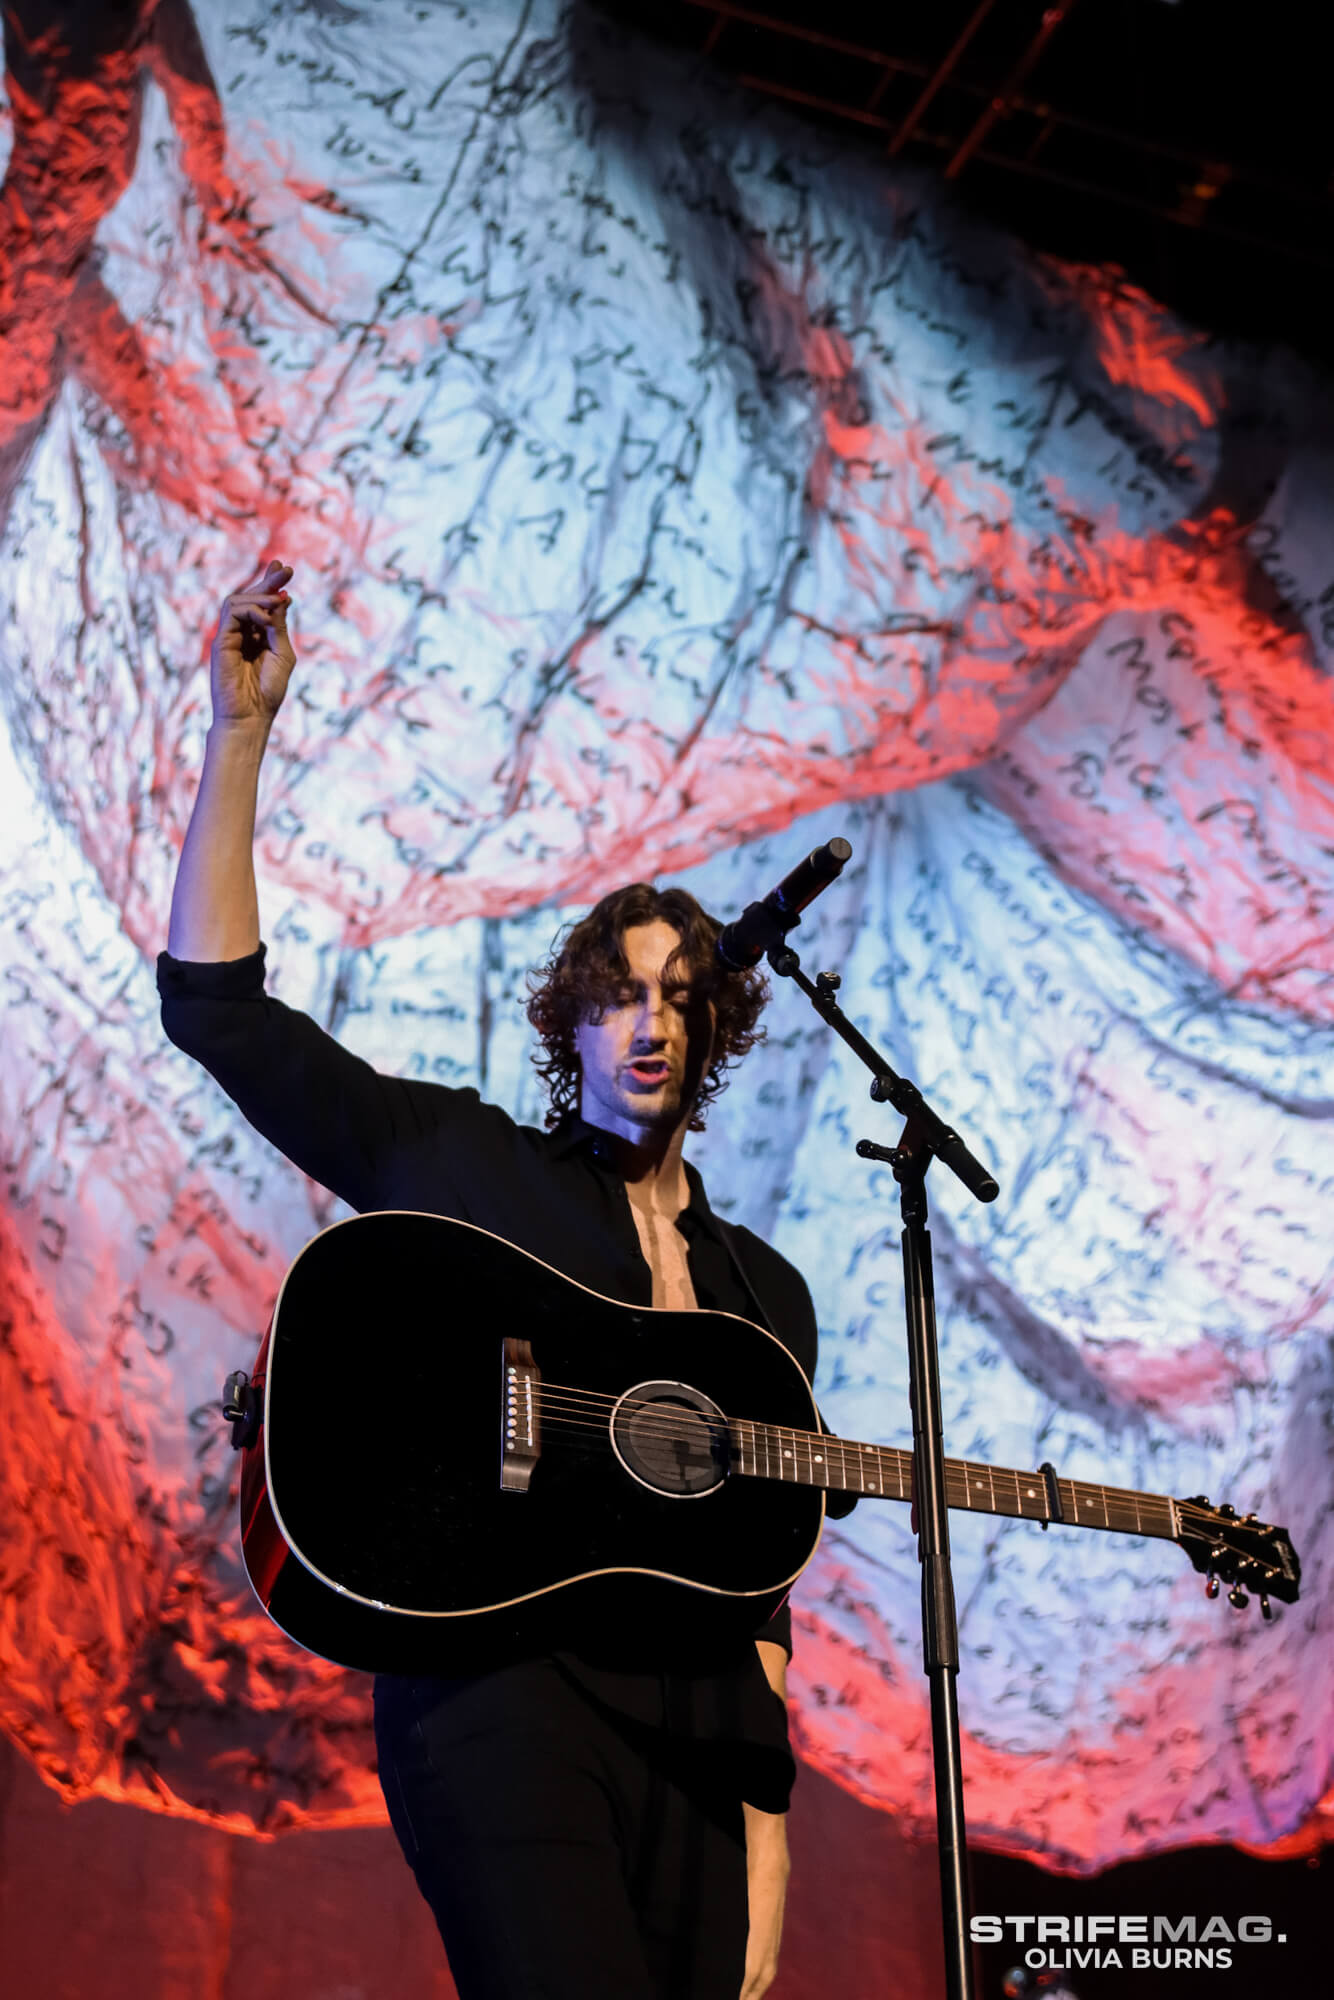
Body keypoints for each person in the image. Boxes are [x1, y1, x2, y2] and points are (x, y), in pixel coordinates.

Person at [159, 558, 852, 2000]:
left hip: (700, 1748)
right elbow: (220, 1012)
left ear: (710, 1028)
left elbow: (756, 1588)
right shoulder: (463, 1164)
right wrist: (241, 738)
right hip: (498, 1694)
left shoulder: (764, 1299)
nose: (648, 1020)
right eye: (618, 992)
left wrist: (768, 1844)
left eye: (677, 993)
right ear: (572, 1025)